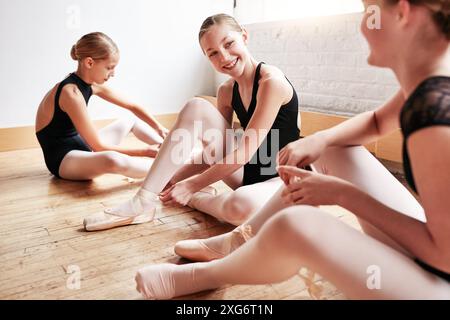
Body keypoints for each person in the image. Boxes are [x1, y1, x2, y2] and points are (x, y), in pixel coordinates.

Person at [135, 0, 450, 300]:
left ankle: (203, 276)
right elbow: (379, 120)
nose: (363, 27)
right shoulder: (430, 82)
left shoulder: (435, 118)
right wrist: (319, 140)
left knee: (295, 223)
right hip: (434, 259)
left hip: (440, 280)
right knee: (333, 149)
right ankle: (233, 241)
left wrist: (342, 194)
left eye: (369, 14)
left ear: (403, 13)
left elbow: (443, 256)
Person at [82, 14, 300, 232]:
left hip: (280, 179)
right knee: (196, 106)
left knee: (241, 205)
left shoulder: (271, 83)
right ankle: (143, 201)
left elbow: (243, 152)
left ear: (244, 36)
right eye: (213, 53)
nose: (224, 57)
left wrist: (192, 186)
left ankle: (195, 199)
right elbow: (215, 151)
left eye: (229, 43)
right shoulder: (226, 91)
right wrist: (171, 180)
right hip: (246, 174)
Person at [35, 32, 168, 182]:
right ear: (89, 63)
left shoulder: (91, 85)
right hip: (64, 160)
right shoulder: (71, 94)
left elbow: (132, 106)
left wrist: (158, 127)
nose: (113, 74)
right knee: (112, 159)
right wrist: (145, 151)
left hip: (83, 146)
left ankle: (169, 151)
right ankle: (168, 170)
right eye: (109, 67)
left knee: (130, 120)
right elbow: (98, 147)